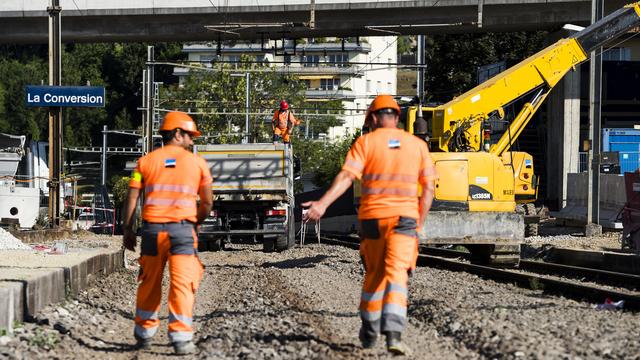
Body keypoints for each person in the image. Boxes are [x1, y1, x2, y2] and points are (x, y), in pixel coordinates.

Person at [302, 95, 436, 355]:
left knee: (374, 274)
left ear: (373, 118)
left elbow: (346, 177)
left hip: (372, 220)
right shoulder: (417, 145)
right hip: (405, 220)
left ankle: (370, 329)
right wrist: (419, 222)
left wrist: (322, 204)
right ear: (397, 117)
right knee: (397, 273)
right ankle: (394, 333)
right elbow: (429, 188)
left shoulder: (366, 142)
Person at [122, 111, 213, 355]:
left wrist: (127, 230)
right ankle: (181, 339)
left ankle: (144, 334)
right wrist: (195, 222)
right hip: (182, 231)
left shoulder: (144, 163)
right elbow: (206, 204)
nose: (193, 141)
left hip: (152, 232)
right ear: (177, 133)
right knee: (183, 284)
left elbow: (132, 197)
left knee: (149, 281)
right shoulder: (198, 164)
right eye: (190, 135)